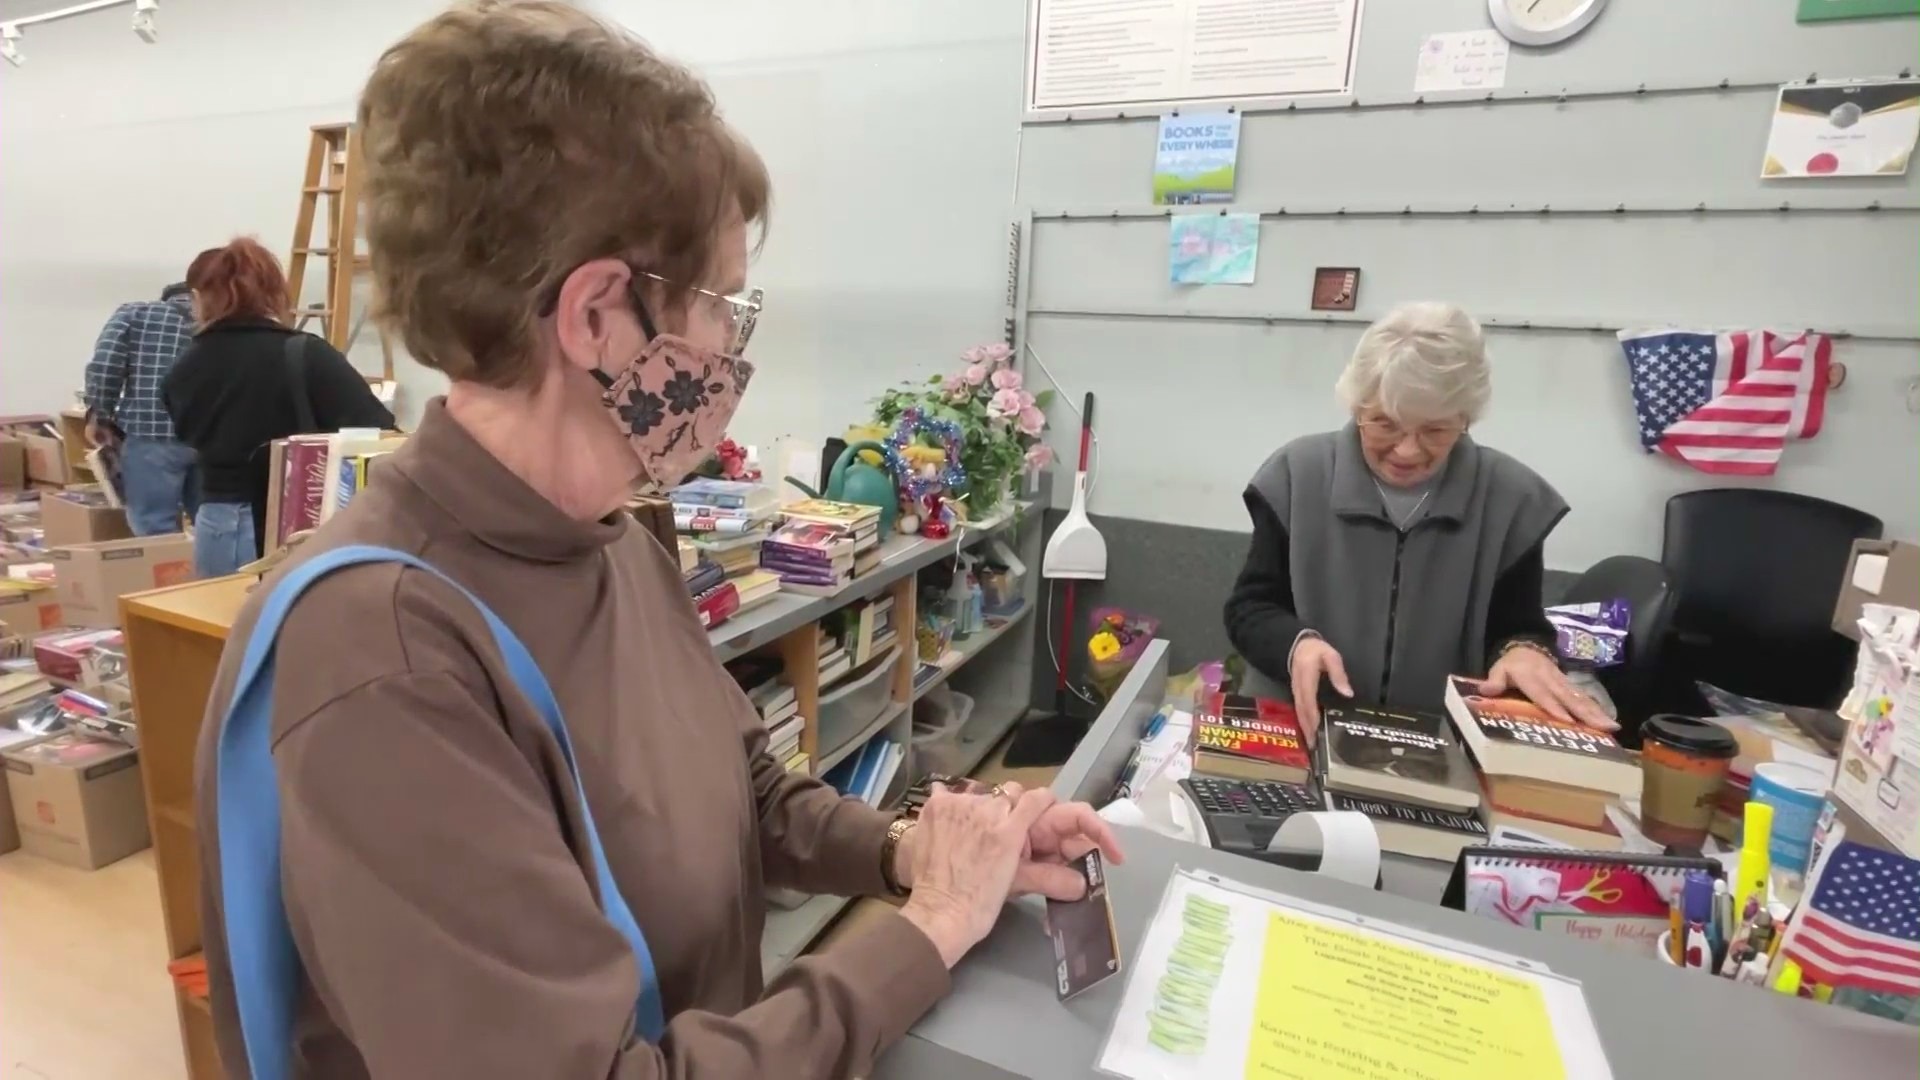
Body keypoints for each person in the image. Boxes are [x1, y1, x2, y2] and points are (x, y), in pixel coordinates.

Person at [192, 4, 1120, 1078]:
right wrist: (927, 932)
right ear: (596, 317)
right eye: (724, 304)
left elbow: (746, 795)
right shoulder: (380, 652)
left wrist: (921, 851)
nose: (735, 345)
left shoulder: (614, 540)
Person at [1224, 301, 1615, 740]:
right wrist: (1296, 646)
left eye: (1435, 430)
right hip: (1296, 728)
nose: (1407, 451)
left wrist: (1522, 652)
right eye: (1384, 425)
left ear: (1466, 418)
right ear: (1356, 407)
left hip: (1433, 746)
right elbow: (1251, 607)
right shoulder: (1295, 475)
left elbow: (1516, 625)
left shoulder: (1509, 499)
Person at [162, 238, 394, 577]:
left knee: (220, 625)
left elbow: (186, 432)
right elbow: (379, 429)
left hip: (218, 522)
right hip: (297, 523)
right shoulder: (307, 354)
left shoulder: (184, 367)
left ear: (198, 299)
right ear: (272, 294)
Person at [82, 280, 200, 534]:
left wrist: (99, 415)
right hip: (213, 437)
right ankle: (216, 574)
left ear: (166, 297)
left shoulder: (136, 314)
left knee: (153, 523)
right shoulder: (224, 321)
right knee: (212, 522)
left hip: (152, 434)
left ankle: (172, 573)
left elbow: (105, 366)